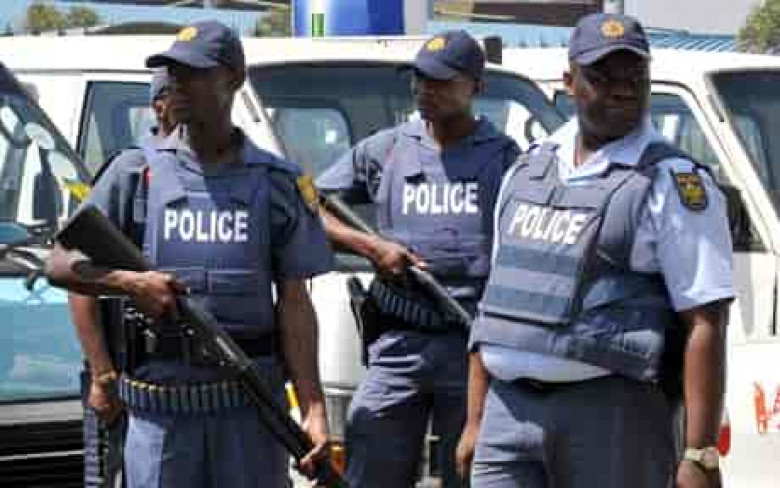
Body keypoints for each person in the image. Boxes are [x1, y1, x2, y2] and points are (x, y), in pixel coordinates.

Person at [47, 20, 331, 488]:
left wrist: (314, 408)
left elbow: (295, 303)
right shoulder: (134, 173)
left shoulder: (276, 183)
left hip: (249, 415)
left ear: (233, 79)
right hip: (161, 417)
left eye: (193, 73)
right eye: (172, 73)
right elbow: (58, 263)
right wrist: (130, 283)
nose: (177, 84)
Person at [457, 13, 733, 488]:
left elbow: (706, 319)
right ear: (569, 82)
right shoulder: (528, 170)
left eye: (634, 76)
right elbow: (496, 301)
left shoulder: (670, 180)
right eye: (602, 76)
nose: (622, 89)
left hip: (610, 415)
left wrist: (700, 453)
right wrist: (476, 418)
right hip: (507, 412)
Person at [316, 30, 520, 488]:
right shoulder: (386, 148)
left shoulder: (505, 160)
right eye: (420, 79)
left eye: (441, 81)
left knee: (469, 472)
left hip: (470, 346)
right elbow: (307, 203)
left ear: (476, 87)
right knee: (369, 464)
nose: (426, 90)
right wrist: (370, 246)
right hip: (398, 342)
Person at [70, 67, 176, 488]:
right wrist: (103, 376)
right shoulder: (132, 170)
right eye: (180, 93)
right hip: (121, 372)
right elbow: (77, 276)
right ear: (159, 106)